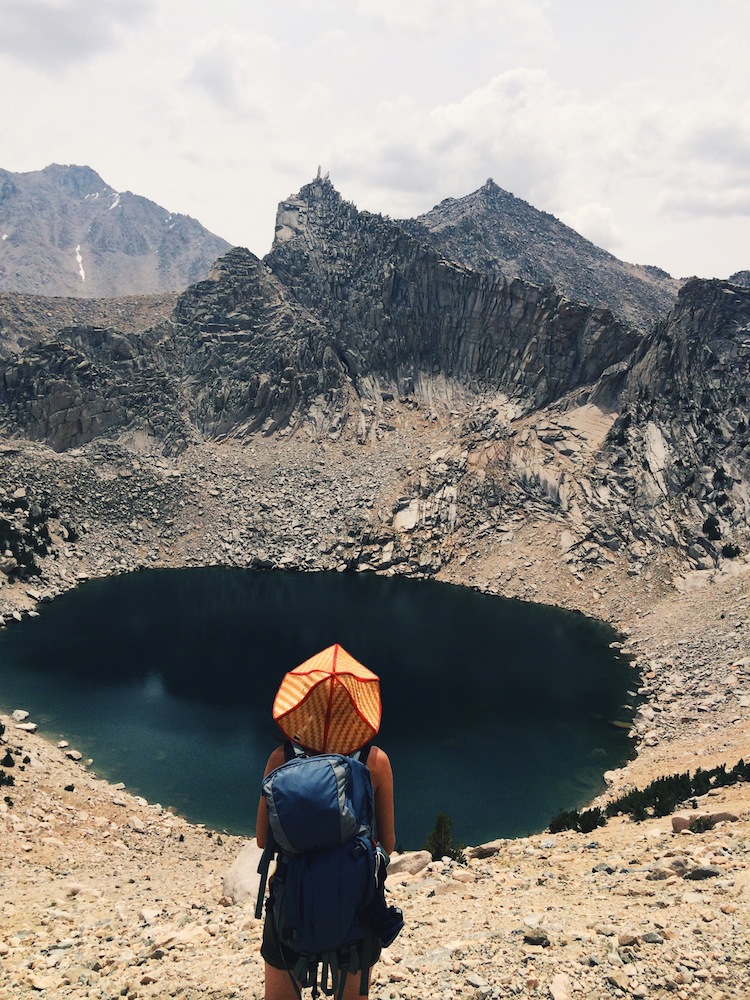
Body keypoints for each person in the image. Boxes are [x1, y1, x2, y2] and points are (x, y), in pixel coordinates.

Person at [255, 644, 396, 1000]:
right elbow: (389, 843)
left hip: (291, 899)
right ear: (358, 711)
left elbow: (261, 840)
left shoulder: (282, 757)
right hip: (356, 903)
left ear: (303, 703)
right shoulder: (374, 761)